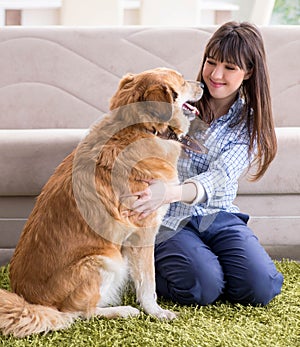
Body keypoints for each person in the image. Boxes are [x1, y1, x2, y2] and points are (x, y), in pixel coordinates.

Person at [130, 21, 283, 306]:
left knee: (261, 287)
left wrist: (171, 190)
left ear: (248, 72)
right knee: (202, 286)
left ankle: (206, 267)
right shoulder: (178, 104)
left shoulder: (249, 123)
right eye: (211, 63)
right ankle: (157, 266)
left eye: (230, 67)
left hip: (220, 216)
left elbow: (221, 176)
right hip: (172, 218)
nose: (216, 74)